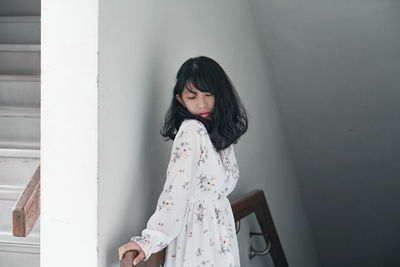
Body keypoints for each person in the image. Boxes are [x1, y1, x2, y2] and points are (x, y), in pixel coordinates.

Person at [118, 56, 248, 266]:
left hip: (220, 234)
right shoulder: (192, 131)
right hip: (198, 239)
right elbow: (176, 189)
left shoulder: (218, 133)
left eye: (208, 94)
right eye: (192, 96)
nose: (202, 103)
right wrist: (149, 241)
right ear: (180, 99)